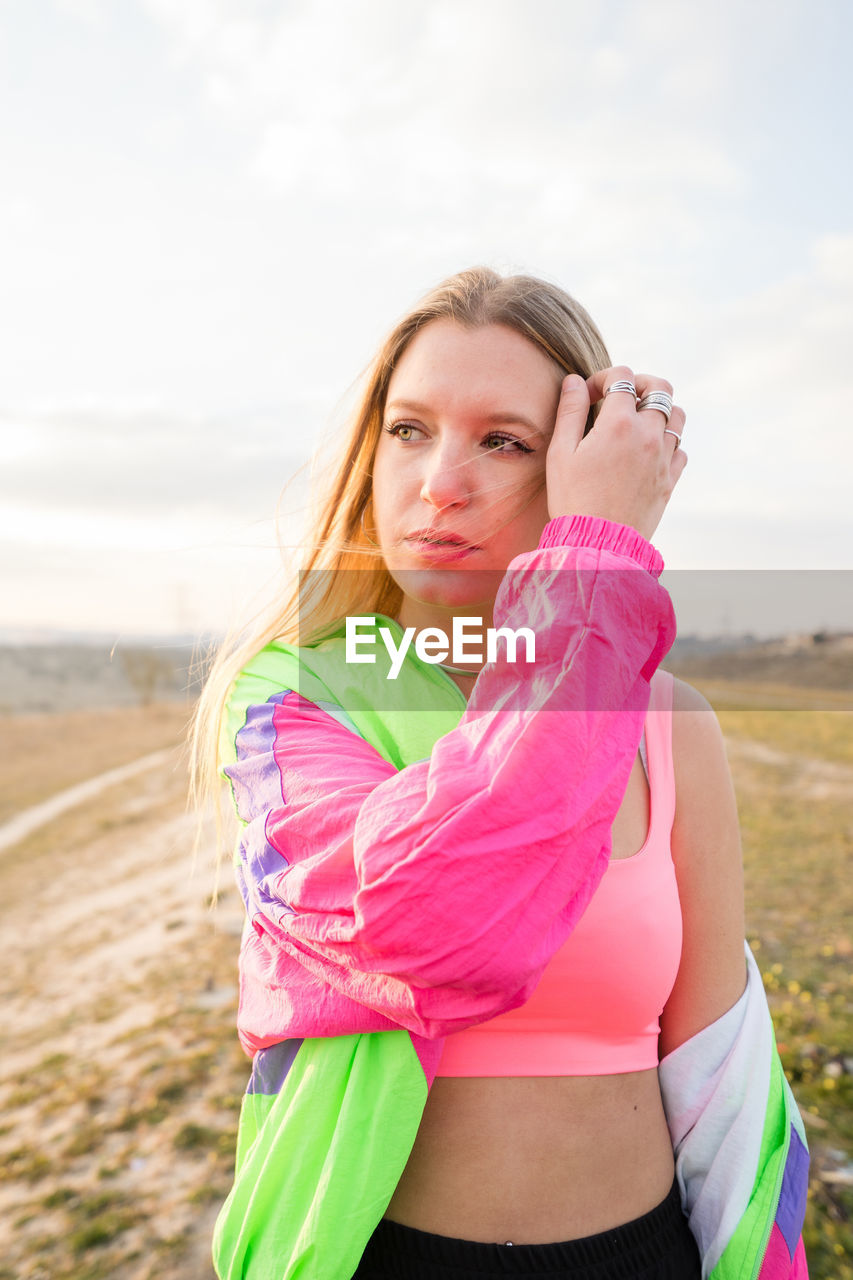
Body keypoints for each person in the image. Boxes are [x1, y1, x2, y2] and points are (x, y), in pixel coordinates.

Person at [192, 267, 809, 1279]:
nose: (439, 480)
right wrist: (596, 564)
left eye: (503, 439)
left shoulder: (669, 726)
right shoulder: (295, 695)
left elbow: (723, 1080)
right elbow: (433, 919)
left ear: (582, 464)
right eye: (408, 429)